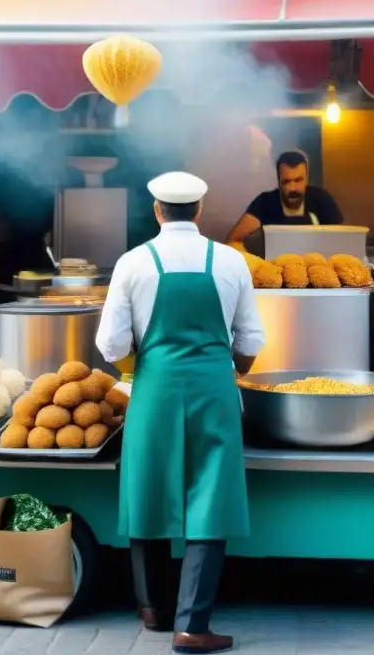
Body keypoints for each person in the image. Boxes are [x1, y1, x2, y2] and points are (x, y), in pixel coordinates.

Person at [95, 171, 265, 654]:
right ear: (201, 209)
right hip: (214, 391)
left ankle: (152, 609)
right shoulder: (230, 261)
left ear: (156, 210)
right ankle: (192, 623)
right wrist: (228, 362)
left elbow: (111, 346)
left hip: (155, 391)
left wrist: (144, 357)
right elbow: (251, 342)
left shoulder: (132, 263)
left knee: (148, 488)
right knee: (211, 497)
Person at [225, 150, 343, 244]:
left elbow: (341, 241)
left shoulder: (321, 199)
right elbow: (232, 242)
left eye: (298, 180)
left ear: (307, 178)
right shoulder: (265, 202)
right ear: (278, 180)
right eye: (287, 182)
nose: (293, 188)